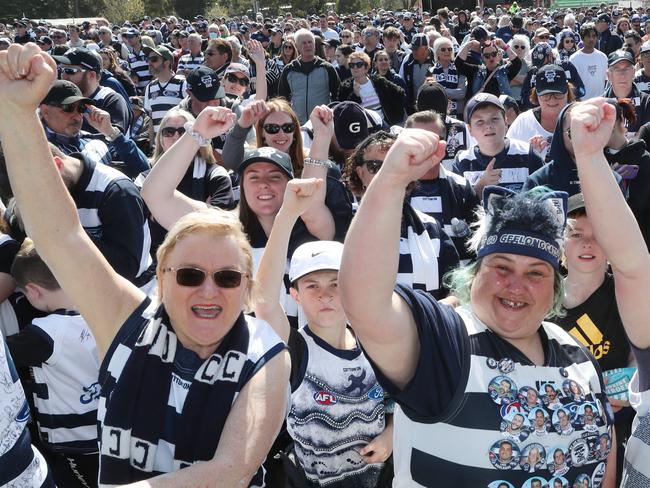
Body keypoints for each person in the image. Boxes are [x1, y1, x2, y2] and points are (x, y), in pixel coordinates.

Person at [0, 43, 290, 486]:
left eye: (229, 278)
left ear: (248, 285)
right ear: (162, 275)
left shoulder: (266, 352)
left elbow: (231, 470)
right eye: (191, 275)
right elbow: (59, 236)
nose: (208, 290)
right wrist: (17, 112)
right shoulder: (126, 319)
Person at [338, 120, 616, 487]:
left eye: (536, 273)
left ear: (553, 288)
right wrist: (390, 181)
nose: (517, 285)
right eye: (502, 267)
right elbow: (366, 304)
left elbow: (604, 460)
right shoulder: (446, 340)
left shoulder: (578, 353)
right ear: (474, 274)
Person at [255, 180, 392, 487]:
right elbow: (262, 300)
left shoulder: (374, 341)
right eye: (312, 286)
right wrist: (287, 215)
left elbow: (398, 402)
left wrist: (391, 435)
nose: (325, 295)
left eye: (334, 284)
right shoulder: (294, 348)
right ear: (295, 295)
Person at [7, 241, 100, 487]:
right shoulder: (100, 310)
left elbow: (4, 355)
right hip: (106, 429)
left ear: (34, 291)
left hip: (74, 440)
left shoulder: (44, 334)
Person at [344, 130, 459, 298]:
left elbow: (455, 284)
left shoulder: (431, 227)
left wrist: (438, 312)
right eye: (376, 167)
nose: (387, 174)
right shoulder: (344, 223)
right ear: (360, 173)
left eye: (394, 165)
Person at [136, 107, 234, 253]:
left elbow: (218, 226)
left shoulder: (215, 174)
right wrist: (202, 210)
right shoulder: (143, 178)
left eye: (184, 132)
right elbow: (138, 223)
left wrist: (159, 213)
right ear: (160, 141)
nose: (176, 137)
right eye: (169, 132)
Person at [38, 80, 149, 179]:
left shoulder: (96, 143)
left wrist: (111, 132)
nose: (77, 116)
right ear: (45, 111)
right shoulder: (38, 151)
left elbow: (144, 171)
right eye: (69, 108)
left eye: (81, 108)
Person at [453, 93, 543, 195]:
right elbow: (457, 207)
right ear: (470, 130)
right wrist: (481, 187)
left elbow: (546, 197)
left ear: (505, 122)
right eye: (480, 121)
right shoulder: (462, 162)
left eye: (494, 119)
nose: (488, 126)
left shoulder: (528, 155)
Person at [54, 47, 132, 135]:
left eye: (70, 71)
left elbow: (115, 142)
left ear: (91, 75)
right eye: (61, 70)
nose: (64, 76)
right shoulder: (60, 98)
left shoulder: (111, 99)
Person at [508, 65, 576, 161]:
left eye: (558, 94)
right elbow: (508, 161)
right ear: (536, 94)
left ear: (567, 92)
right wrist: (529, 155)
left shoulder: (580, 118)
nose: (552, 99)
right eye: (546, 95)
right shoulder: (523, 122)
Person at [278, 28, 340, 124]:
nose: (308, 45)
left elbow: (338, 96)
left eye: (310, 42)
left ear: (314, 45)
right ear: (297, 46)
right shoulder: (289, 70)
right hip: (298, 125)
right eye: (304, 43)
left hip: (323, 123)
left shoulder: (327, 68)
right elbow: (282, 99)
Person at [338, 51, 405, 125]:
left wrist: (394, 117)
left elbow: (400, 94)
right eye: (352, 65)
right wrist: (354, 95)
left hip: (382, 125)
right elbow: (343, 111)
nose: (355, 67)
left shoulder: (378, 81)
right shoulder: (345, 87)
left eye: (359, 65)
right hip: (361, 128)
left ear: (366, 68)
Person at [455, 37, 522, 99]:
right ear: (482, 57)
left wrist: (505, 46)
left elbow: (517, 63)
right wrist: (468, 45)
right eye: (487, 55)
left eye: (493, 54)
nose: (491, 58)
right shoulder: (476, 71)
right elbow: (458, 63)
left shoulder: (505, 71)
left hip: (499, 110)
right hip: (480, 109)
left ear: (498, 54)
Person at [603, 49, 650, 136]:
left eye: (626, 69)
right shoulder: (600, 105)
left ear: (633, 72)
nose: (623, 75)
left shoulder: (647, 102)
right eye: (617, 69)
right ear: (609, 75)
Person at [142, 44, 187, 135]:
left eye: (154, 59)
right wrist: (152, 146)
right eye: (148, 59)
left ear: (166, 63)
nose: (149, 63)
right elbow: (151, 119)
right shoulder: (150, 87)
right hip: (159, 145)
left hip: (179, 142)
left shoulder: (183, 84)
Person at [429, 37, 467, 120]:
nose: (447, 51)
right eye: (443, 49)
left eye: (450, 49)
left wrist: (441, 91)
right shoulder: (430, 71)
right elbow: (431, 93)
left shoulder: (459, 70)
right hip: (437, 114)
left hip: (458, 114)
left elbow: (461, 93)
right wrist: (452, 92)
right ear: (437, 53)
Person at [570, 23, 608, 100]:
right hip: (582, 103)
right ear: (582, 38)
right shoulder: (574, 58)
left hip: (600, 101)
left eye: (594, 36)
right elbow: (572, 84)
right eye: (588, 36)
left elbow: (606, 80)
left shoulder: (603, 57)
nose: (591, 39)